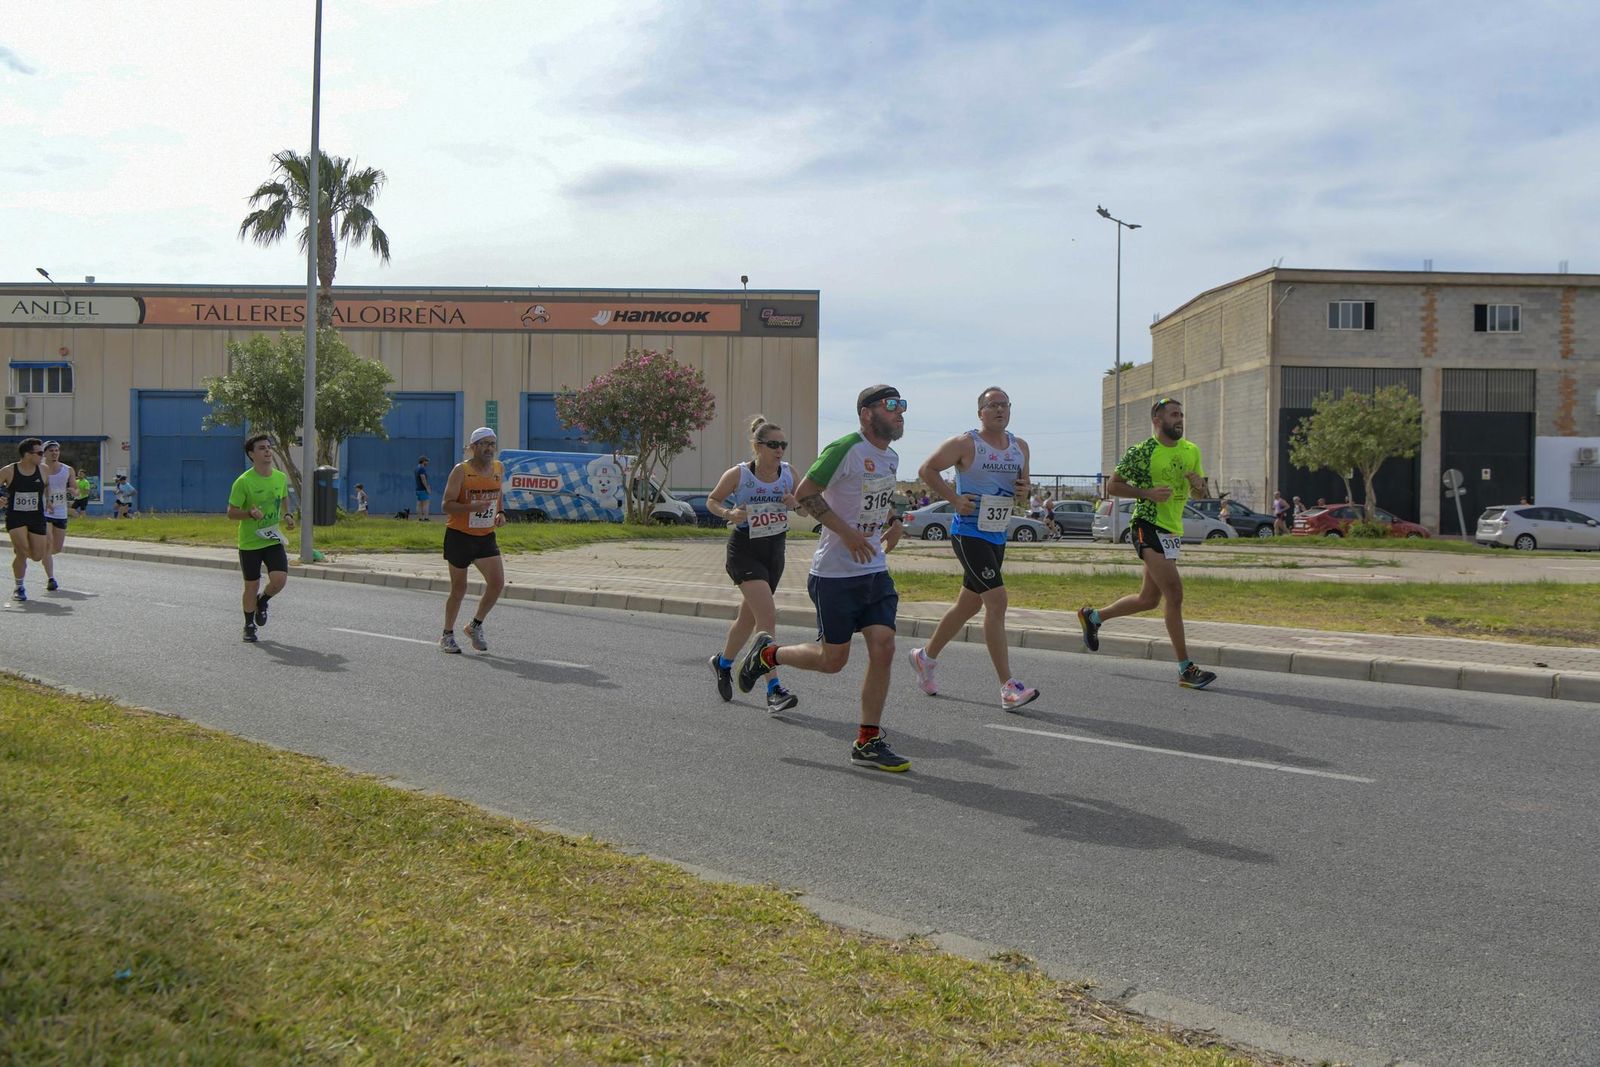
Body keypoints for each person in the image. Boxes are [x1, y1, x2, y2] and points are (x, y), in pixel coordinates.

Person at [737, 384, 911, 772]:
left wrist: (895, 520)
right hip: (835, 574)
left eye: (903, 406)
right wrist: (847, 533)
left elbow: (881, 495)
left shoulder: (891, 456)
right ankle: (769, 654)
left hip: (874, 569)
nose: (901, 413)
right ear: (867, 413)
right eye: (892, 406)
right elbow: (804, 493)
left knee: (884, 646)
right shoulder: (845, 449)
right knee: (834, 661)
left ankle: (868, 740)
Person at [908, 386, 1040, 711]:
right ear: (980, 412)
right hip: (968, 533)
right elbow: (927, 469)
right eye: (992, 405)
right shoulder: (966, 443)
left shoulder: (1020, 446)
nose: (999, 410)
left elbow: (1022, 493)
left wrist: (1024, 489)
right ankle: (1008, 686)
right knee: (997, 602)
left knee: (968, 605)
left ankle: (925, 657)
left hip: (997, 533)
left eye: (1004, 405)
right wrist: (954, 499)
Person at [1077, 398, 1217, 690]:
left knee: (1148, 600)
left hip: (1172, 531)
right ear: (1157, 420)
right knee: (1174, 594)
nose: (1179, 419)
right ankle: (1185, 669)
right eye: (1174, 415)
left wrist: (1197, 484)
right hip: (1147, 525)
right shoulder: (1142, 452)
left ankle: (1094, 617)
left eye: (1182, 414)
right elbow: (1112, 486)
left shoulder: (1191, 450)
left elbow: (1202, 495)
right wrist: (1147, 493)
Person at [706, 415, 800, 712]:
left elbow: (808, 508)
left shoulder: (789, 474)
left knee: (749, 619)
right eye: (773, 444)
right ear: (757, 446)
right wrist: (728, 514)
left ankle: (722, 663)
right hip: (744, 549)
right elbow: (712, 500)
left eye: (783, 444)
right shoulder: (740, 474)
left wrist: (796, 503)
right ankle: (774, 689)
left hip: (774, 550)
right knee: (767, 617)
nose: (779, 449)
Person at [439, 427, 507, 654]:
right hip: (459, 536)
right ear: (473, 447)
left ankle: (474, 626)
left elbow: (498, 494)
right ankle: (447, 634)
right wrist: (471, 508)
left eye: (492, 444)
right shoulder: (461, 471)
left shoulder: (498, 468)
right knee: (459, 588)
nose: (489, 448)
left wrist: (501, 512)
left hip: (485, 536)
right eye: (484, 444)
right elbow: (446, 505)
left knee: (497, 583)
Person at [227, 435, 295, 643]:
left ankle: (263, 601)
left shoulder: (280, 477)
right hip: (250, 542)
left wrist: (288, 515)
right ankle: (249, 625)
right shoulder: (243, 481)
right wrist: (249, 514)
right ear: (251, 454)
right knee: (251, 585)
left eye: (269, 448)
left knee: (279, 580)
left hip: (272, 538)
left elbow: (284, 498)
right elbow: (231, 512)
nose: (268, 451)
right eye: (262, 448)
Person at [2, 438, 50, 602]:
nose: (42, 456)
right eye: (39, 453)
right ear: (27, 454)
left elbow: (46, 488)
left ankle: (20, 549)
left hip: (36, 516)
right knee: (22, 552)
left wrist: (49, 501)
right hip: (16, 517)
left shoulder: (44, 470)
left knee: (37, 556)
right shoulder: (9, 471)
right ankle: (19, 587)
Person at [39, 441, 75, 592]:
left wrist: (73, 491)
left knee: (57, 548)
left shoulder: (67, 469)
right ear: (44, 453)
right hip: (44, 511)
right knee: (48, 543)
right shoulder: (39, 468)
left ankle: (43, 555)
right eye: (51, 450)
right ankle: (51, 579)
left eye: (57, 450)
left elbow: (74, 487)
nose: (54, 453)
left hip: (60, 512)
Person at [414, 456, 432, 520]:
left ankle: (420, 518)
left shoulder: (416, 468)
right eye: (426, 461)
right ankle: (426, 518)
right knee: (426, 503)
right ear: (423, 461)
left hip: (418, 489)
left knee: (419, 503)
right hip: (422, 489)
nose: (427, 463)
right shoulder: (422, 468)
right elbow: (423, 478)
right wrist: (427, 488)